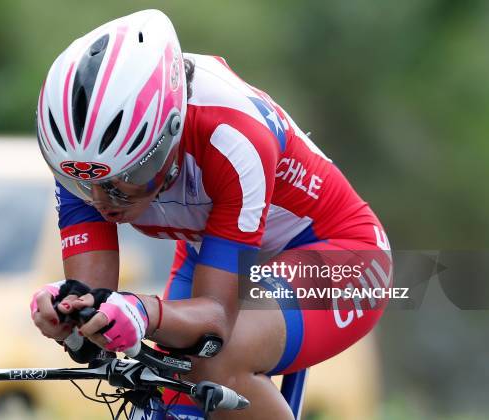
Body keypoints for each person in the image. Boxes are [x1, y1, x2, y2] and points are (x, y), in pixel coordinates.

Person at [31, 9, 392, 420]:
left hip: (340, 255)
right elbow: (96, 306)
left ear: (169, 134)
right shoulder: (84, 155)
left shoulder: (232, 135)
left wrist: (142, 311)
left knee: (215, 365)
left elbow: (216, 322)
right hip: (220, 251)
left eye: (126, 177)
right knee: (160, 390)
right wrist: (70, 316)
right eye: (82, 185)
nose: (100, 199)